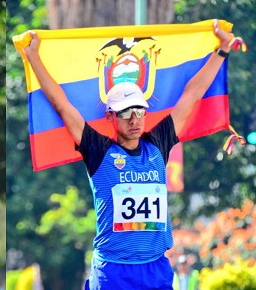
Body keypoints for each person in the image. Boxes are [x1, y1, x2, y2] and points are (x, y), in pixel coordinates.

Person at [23, 20, 233, 289]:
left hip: (155, 267)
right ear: (110, 115)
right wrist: (33, 56)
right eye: (124, 112)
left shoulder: (158, 143)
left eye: (139, 111)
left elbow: (191, 96)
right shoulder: (97, 149)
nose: (134, 119)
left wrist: (222, 50)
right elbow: (61, 105)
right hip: (114, 271)